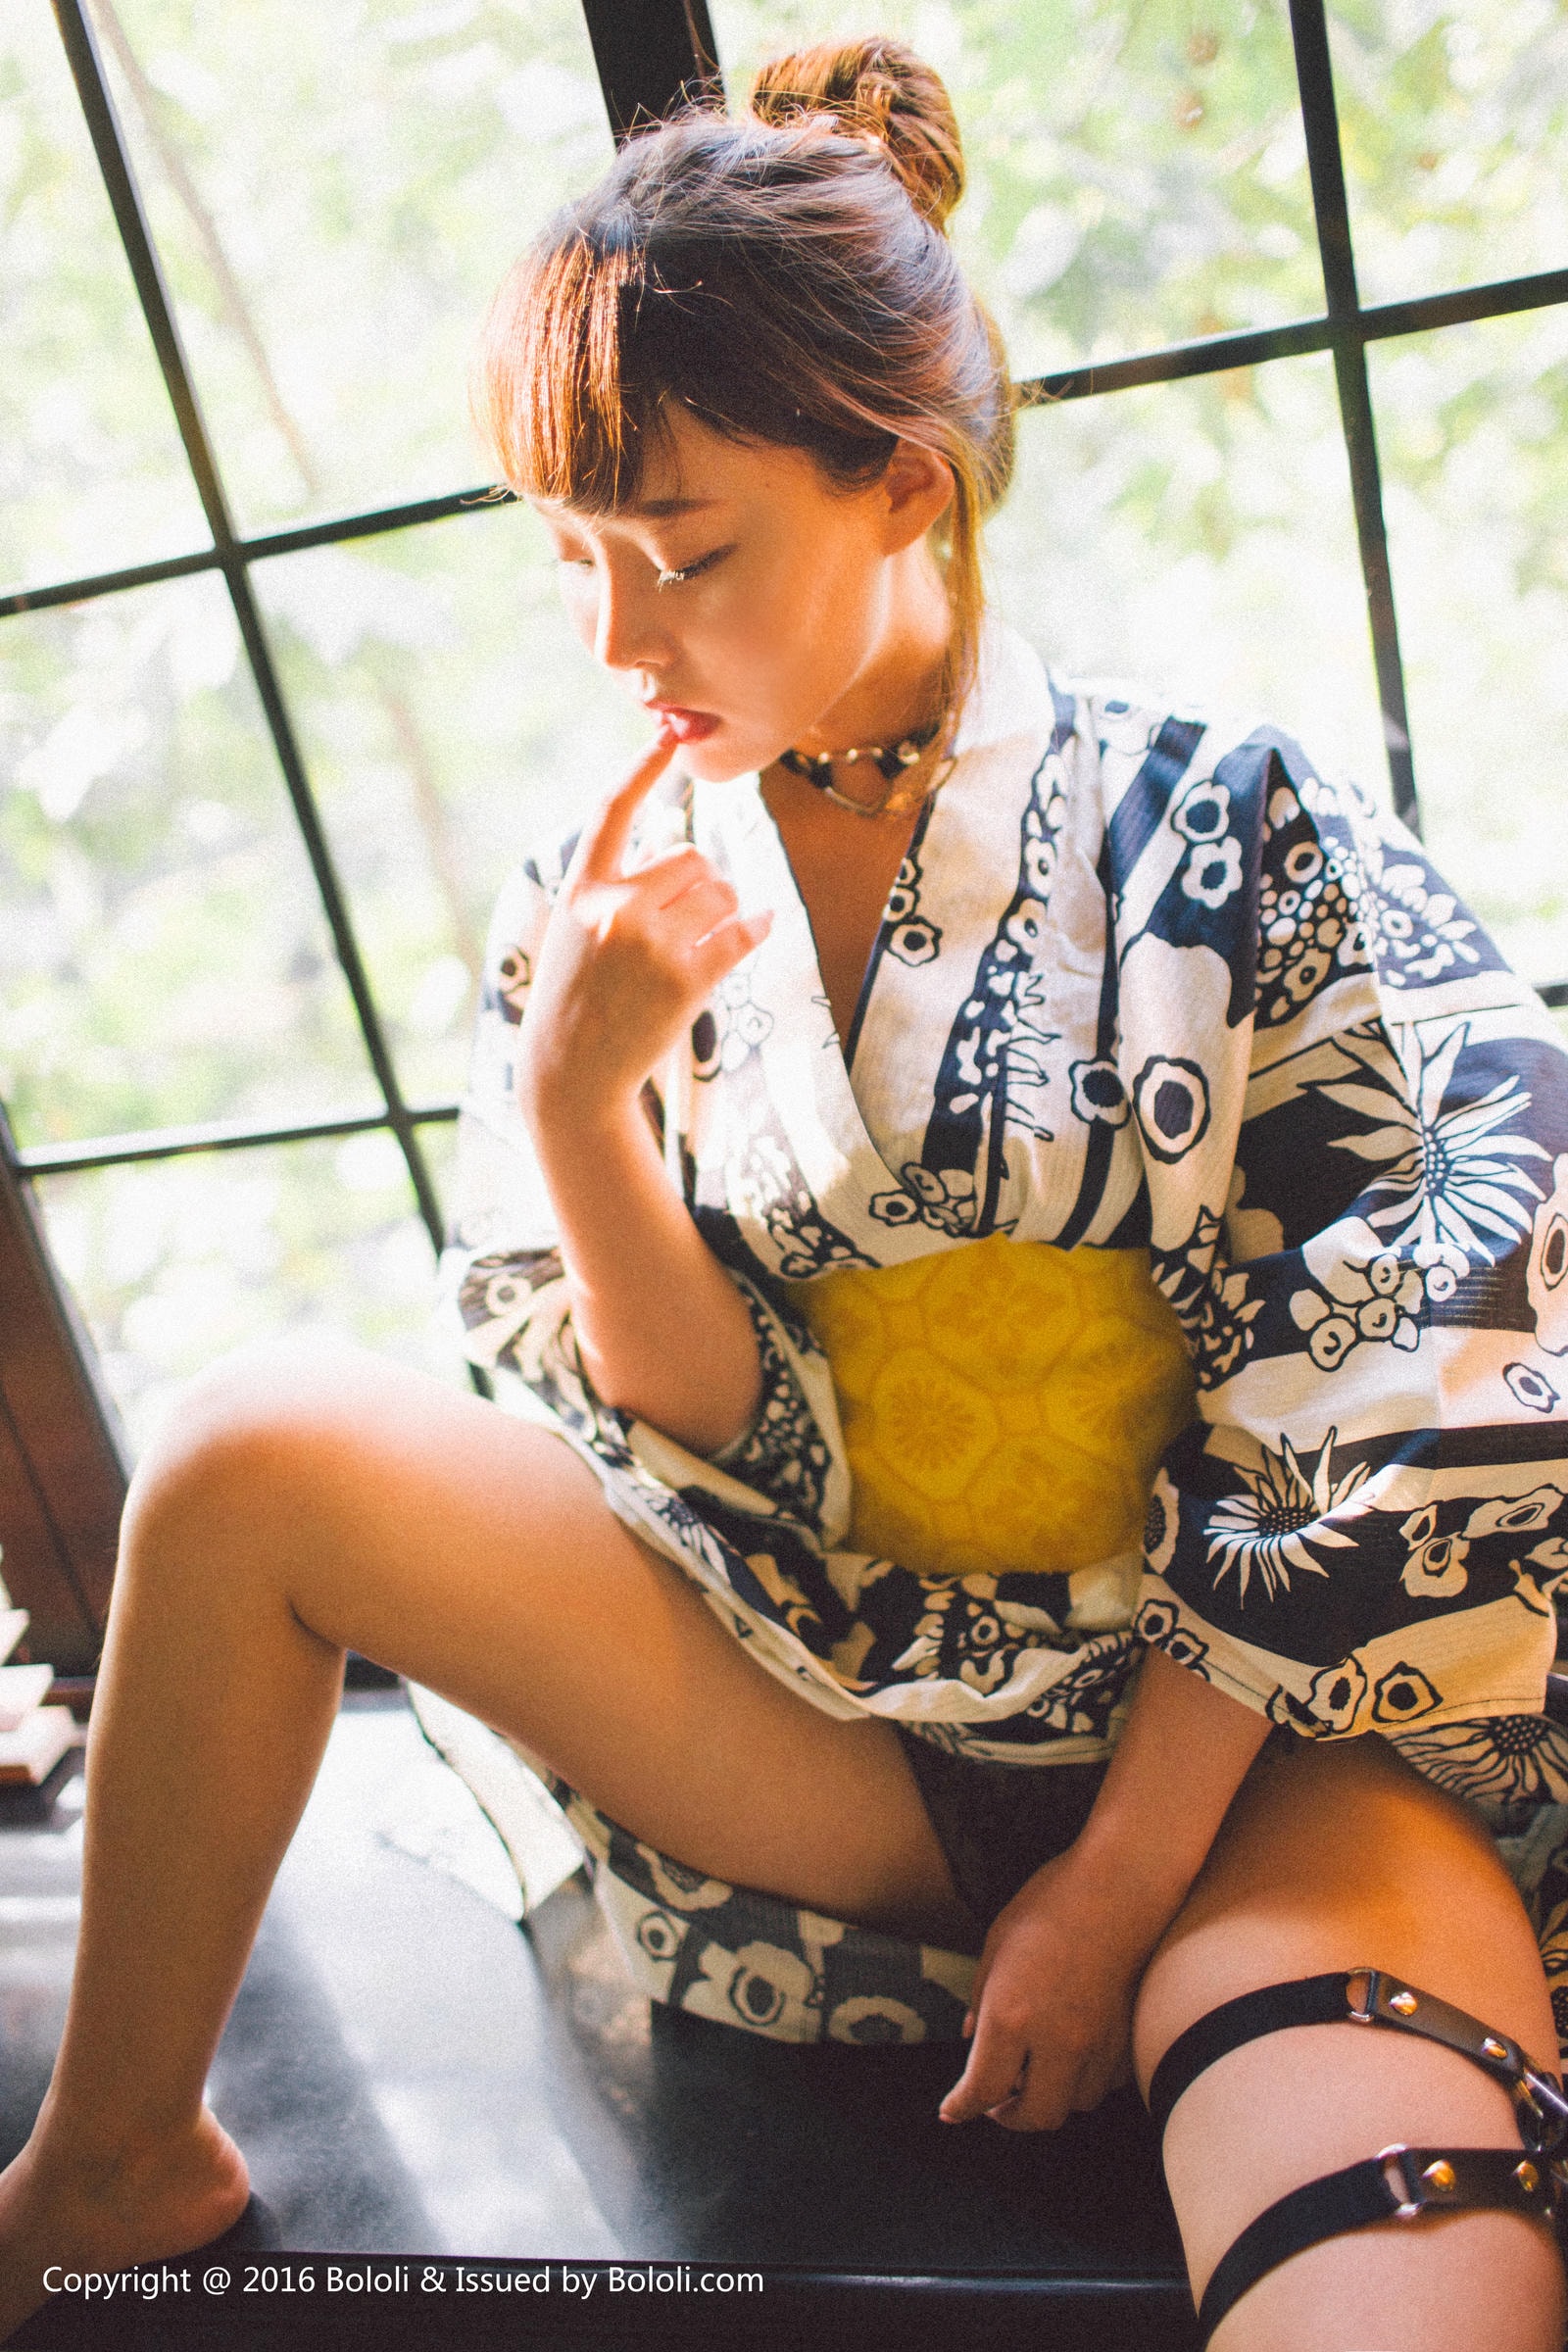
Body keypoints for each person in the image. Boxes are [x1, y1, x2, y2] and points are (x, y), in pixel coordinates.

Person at [2, 33, 1567, 2348]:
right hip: (840, 1703)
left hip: (1243, 1743)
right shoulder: (613, 881)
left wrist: (1113, 1882)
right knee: (246, 1451)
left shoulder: (1229, 824)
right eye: (567, 562)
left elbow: (1415, 1351)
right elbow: (702, 1450)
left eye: (682, 555)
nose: (616, 641)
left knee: (1377, 2270)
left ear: (898, 484)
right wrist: (576, 1110)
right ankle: (113, 2158)